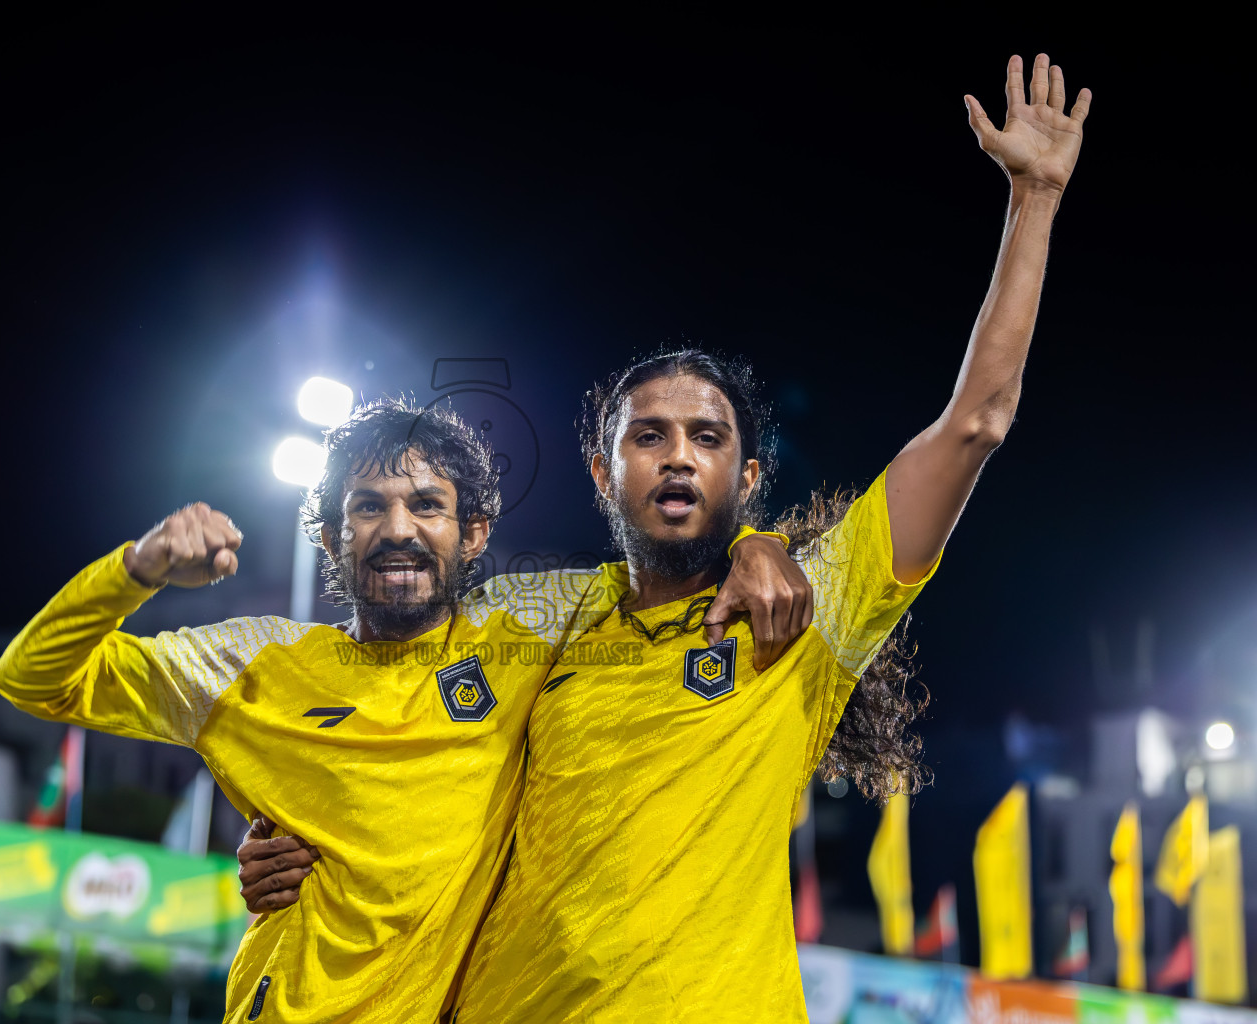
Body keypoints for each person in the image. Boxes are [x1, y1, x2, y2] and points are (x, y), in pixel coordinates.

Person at [242, 52, 1091, 1022]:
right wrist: (280, 831)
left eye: (706, 438)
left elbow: (976, 421)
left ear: (749, 476)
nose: (677, 458)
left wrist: (1034, 199)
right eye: (648, 437)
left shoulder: (805, 614)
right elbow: (387, 734)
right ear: (606, 474)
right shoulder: (529, 626)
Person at [0, 399, 806, 1023]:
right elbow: (32, 677)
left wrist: (752, 542)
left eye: (426, 504)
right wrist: (139, 569)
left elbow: (664, 565)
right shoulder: (253, 666)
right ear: (331, 536)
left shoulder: (527, 631)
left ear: (475, 532)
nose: (398, 530)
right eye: (367, 507)